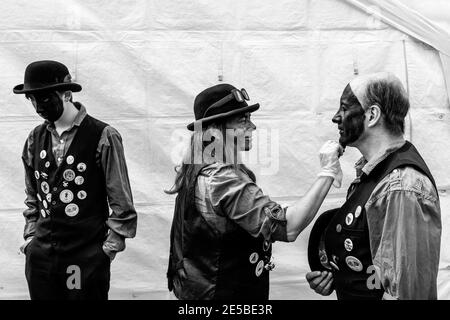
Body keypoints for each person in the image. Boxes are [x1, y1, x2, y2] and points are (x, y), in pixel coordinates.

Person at [166, 83, 343, 300]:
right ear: (213, 131)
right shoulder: (220, 180)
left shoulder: (200, 171)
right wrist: (327, 172)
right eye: (243, 121)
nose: (253, 127)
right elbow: (288, 228)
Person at [306, 72, 441, 300]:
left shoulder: (401, 185)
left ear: (372, 115)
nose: (336, 118)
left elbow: (410, 292)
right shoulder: (375, 172)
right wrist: (341, 278)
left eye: (344, 107)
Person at [14, 60, 137, 300]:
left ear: (67, 94)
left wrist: (106, 250)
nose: (38, 106)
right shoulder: (34, 138)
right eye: (32, 99)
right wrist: (31, 238)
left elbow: (121, 201)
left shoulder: (103, 135)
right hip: (42, 257)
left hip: (85, 256)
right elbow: (33, 195)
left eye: (45, 98)